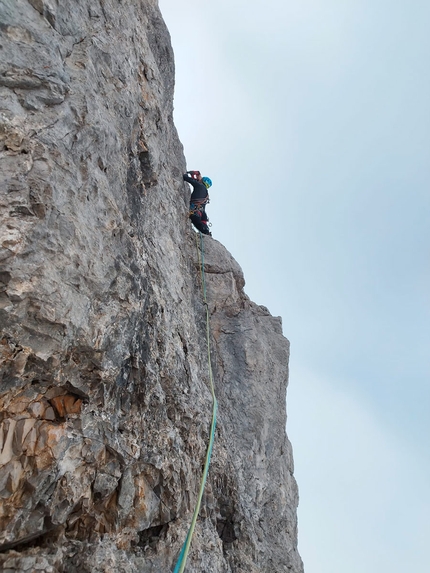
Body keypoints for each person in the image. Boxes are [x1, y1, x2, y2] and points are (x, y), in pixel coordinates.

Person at [183, 170, 213, 235]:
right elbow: (196, 181)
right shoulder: (206, 192)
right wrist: (197, 175)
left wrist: (186, 174)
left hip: (196, 210)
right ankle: (206, 230)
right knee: (202, 223)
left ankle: (205, 231)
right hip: (202, 213)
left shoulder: (199, 186)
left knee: (195, 219)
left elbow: (187, 179)